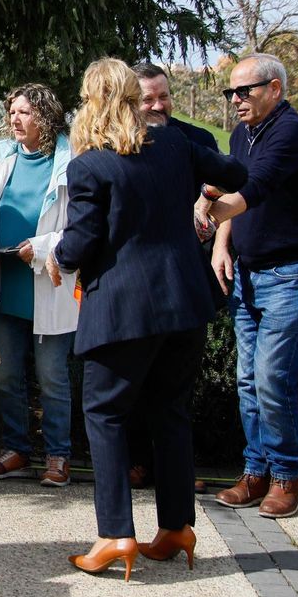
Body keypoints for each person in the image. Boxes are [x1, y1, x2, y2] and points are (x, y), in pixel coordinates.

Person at [53, 59, 247, 578]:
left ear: (93, 101)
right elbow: (236, 173)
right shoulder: (176, 144)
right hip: (184, 303)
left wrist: (55, 254)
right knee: (171, 413)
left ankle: (116, 534)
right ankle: (176, 527)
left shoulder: (90, 163)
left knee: (106, 415)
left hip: (122, 307)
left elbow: (81, 242)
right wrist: (204, 197)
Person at [206, 53, 298, 519]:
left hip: (290, 274)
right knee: (248, 381)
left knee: (273, 379)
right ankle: (255, 472)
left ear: (274, 88)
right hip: (249, 273)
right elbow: (226, 185)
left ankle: (287, 476)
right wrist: (221, 243)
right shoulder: (242, 133)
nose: (236, 100)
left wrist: (206, 216)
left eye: (245, 91)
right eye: (230, 92)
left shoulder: (291, 132)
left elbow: (252, 189)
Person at [0, 84, 78, 487]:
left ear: (46, 117)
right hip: (8, 284)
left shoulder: (69, 162)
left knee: (52, 377)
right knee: (8, 375)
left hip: (48, 285)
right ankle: (16, 450)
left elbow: (79, 229)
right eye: (12, 112)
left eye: (25, 113)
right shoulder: (5, 161)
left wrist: (42, 245)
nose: (15, 120)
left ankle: (58, 456)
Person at [129, 61, 224, 488]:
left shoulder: (196, 140)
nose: (158, 105)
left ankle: (178, 472)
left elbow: (233, 185)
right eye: (147, 98)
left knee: (176, 390)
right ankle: (137, 461)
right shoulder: (117, 145)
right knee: (133, 383)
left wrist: (209, 215)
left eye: (163, 96)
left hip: (187, 282)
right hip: (133, 286)